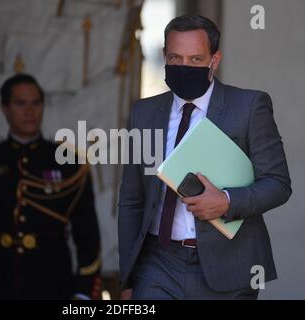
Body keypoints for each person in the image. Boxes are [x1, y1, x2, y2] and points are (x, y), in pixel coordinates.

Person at [118, 14, 291, 300]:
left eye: (196, 59)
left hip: (229, 264)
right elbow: (131, 199)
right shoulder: (143, 113)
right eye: (176, 58)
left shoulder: (249, 107)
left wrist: (226, 201)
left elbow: (278, 184)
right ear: (164, 56)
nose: (184, 67)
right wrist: (127, 278)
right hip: (158, 264)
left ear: (214, 60)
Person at [0, 74, 101, 300]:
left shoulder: (69, 163)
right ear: (5, 108)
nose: (29, 111)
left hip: (53, 285)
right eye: (20, 103)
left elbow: (87, 235)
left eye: (36, 103)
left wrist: (83, 294)